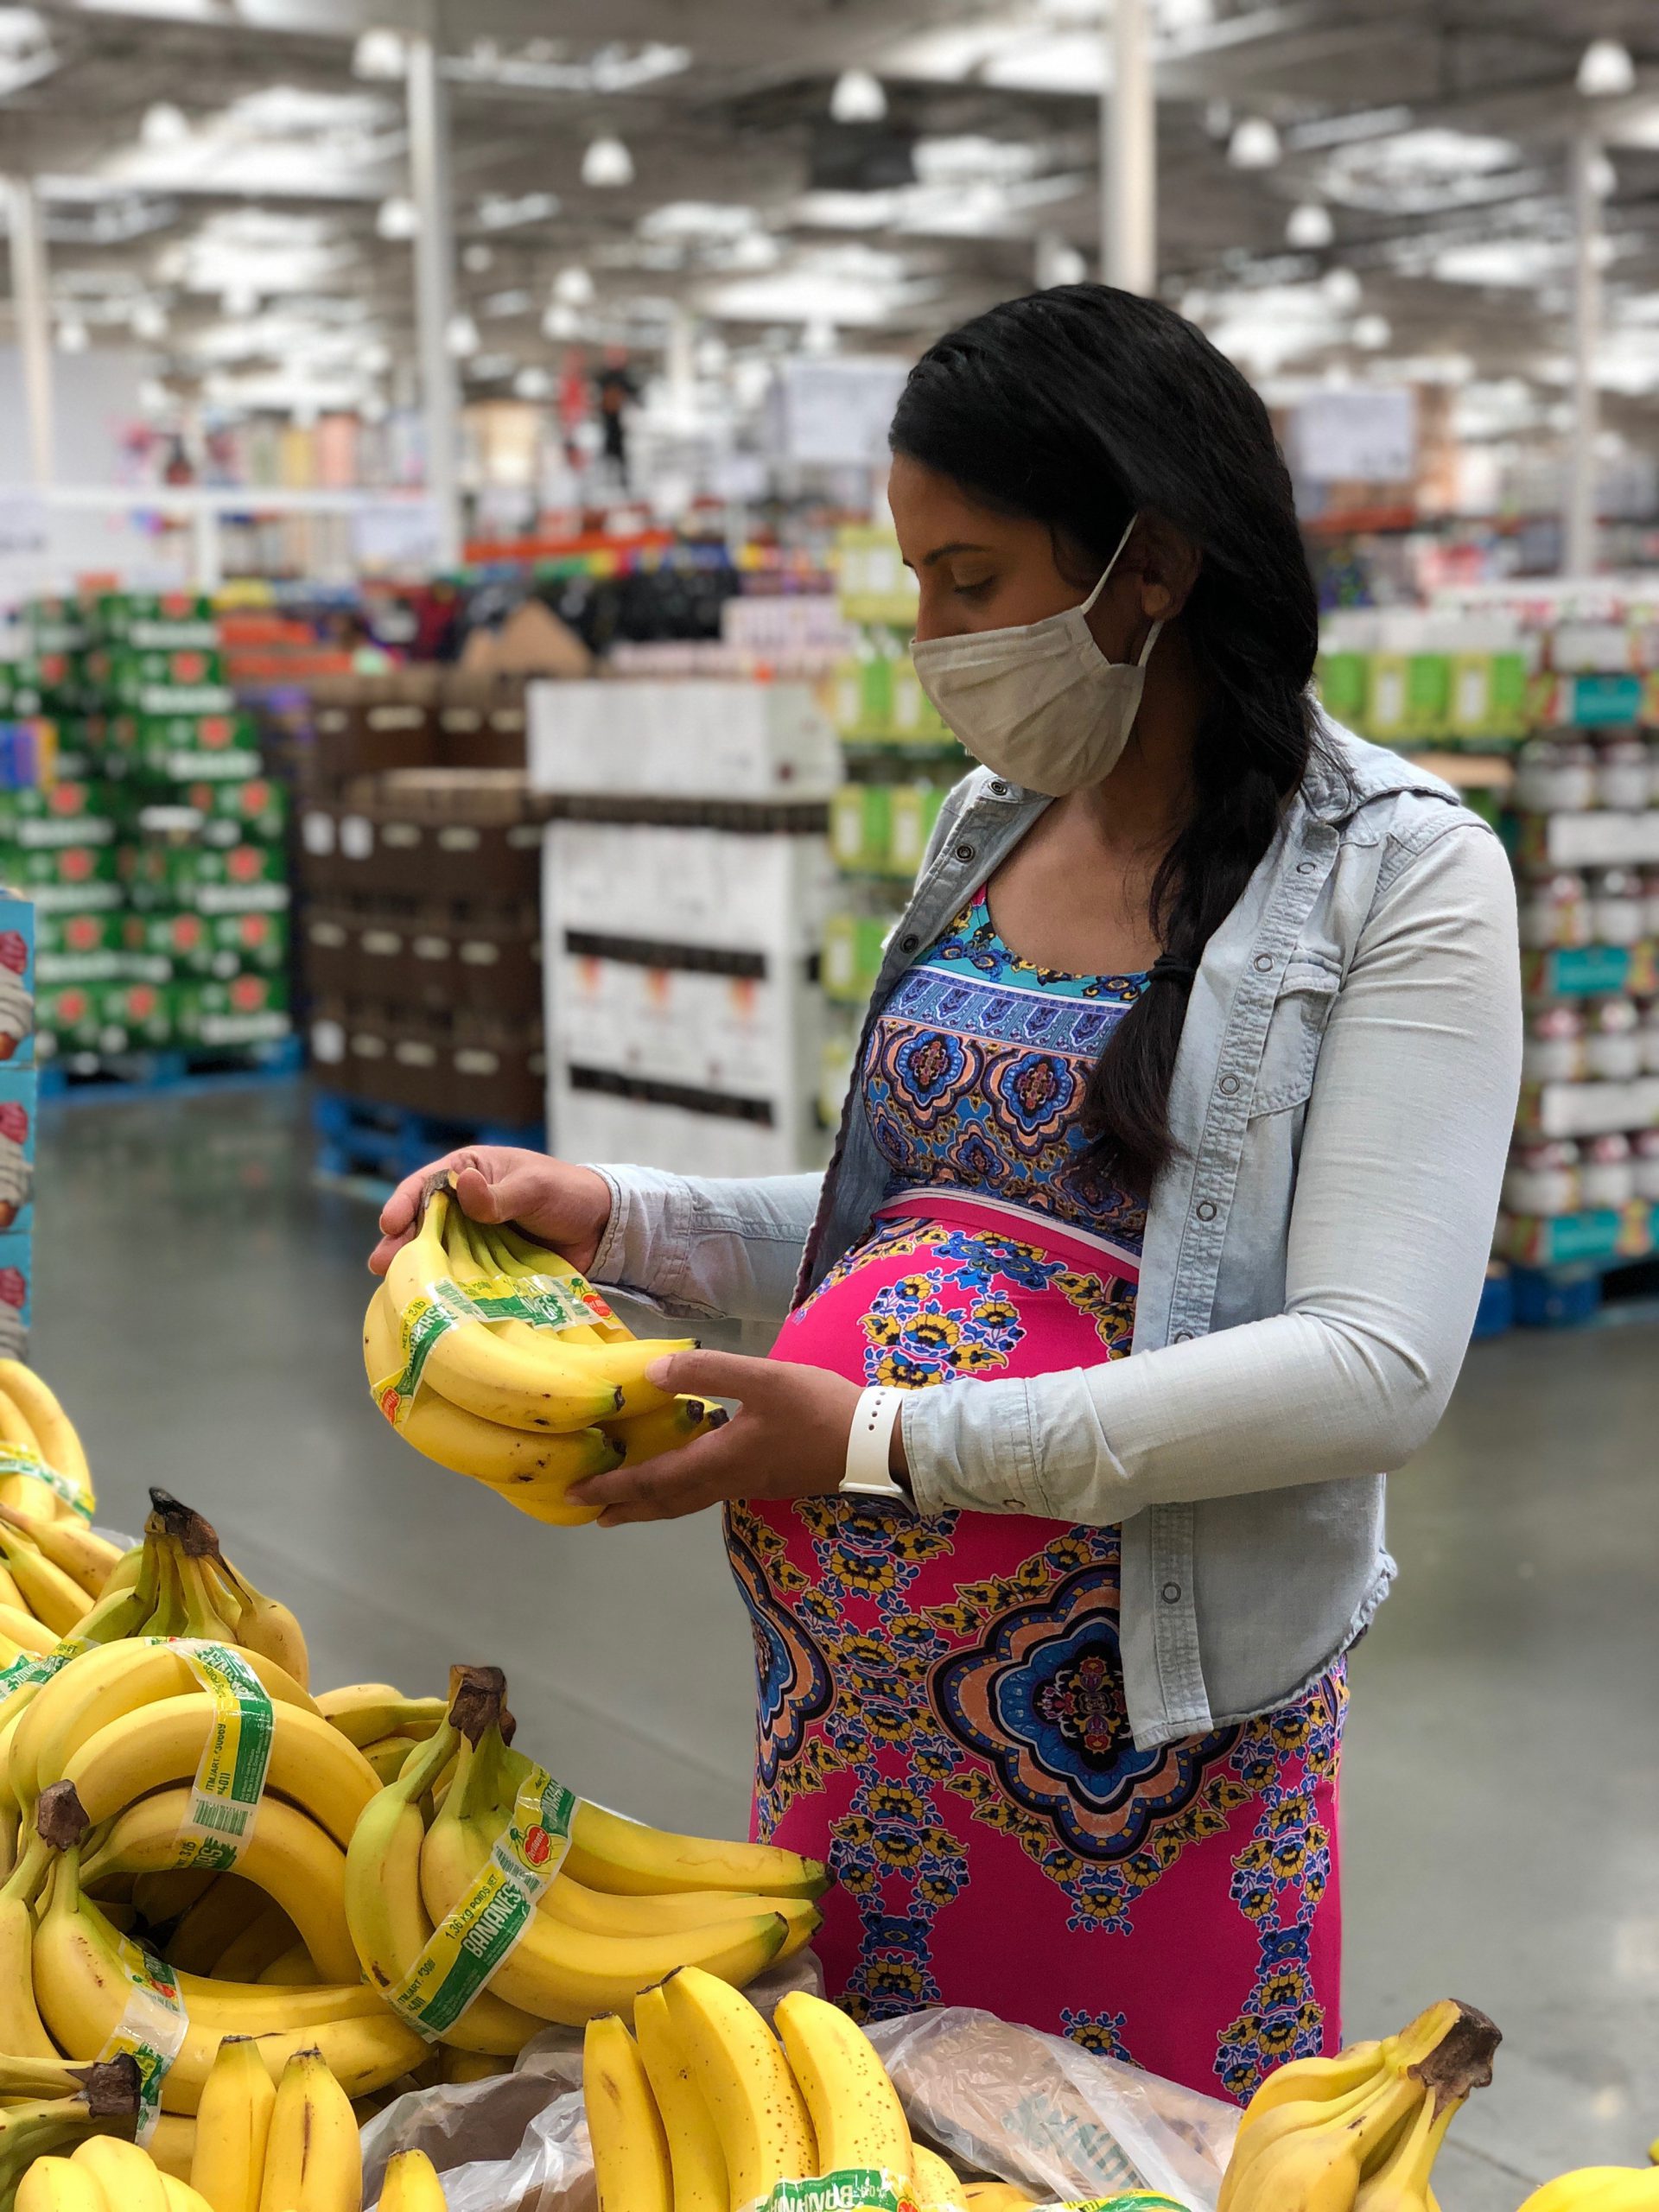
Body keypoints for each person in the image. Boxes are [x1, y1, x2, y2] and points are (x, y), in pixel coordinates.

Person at [371, 285, 1521, 2102]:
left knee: (1114, 2151)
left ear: (1150, 562)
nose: (932, 637)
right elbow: (918, 1227)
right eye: (915, 579)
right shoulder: (986, 824)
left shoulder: (1403, 882)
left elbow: (1375, 1363)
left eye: (971, 580)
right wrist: (623, 1209)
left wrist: (881, 1444)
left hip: (1148, 1751)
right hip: (849, 1718)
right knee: (855, 2134)